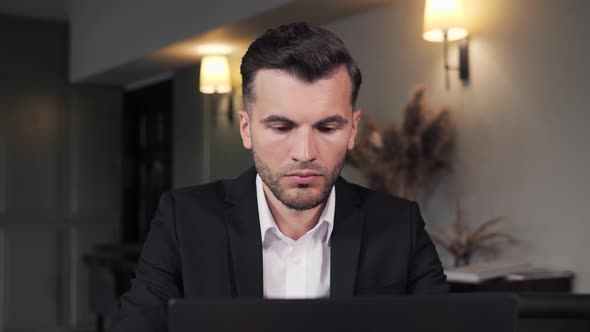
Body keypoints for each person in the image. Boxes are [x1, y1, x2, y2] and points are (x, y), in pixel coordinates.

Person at [111, 22, 448, 332]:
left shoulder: (399, 225)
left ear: (352, 129)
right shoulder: (182, 219)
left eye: (327, 127)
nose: (304, 152)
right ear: (246, 129)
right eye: (281, 127)